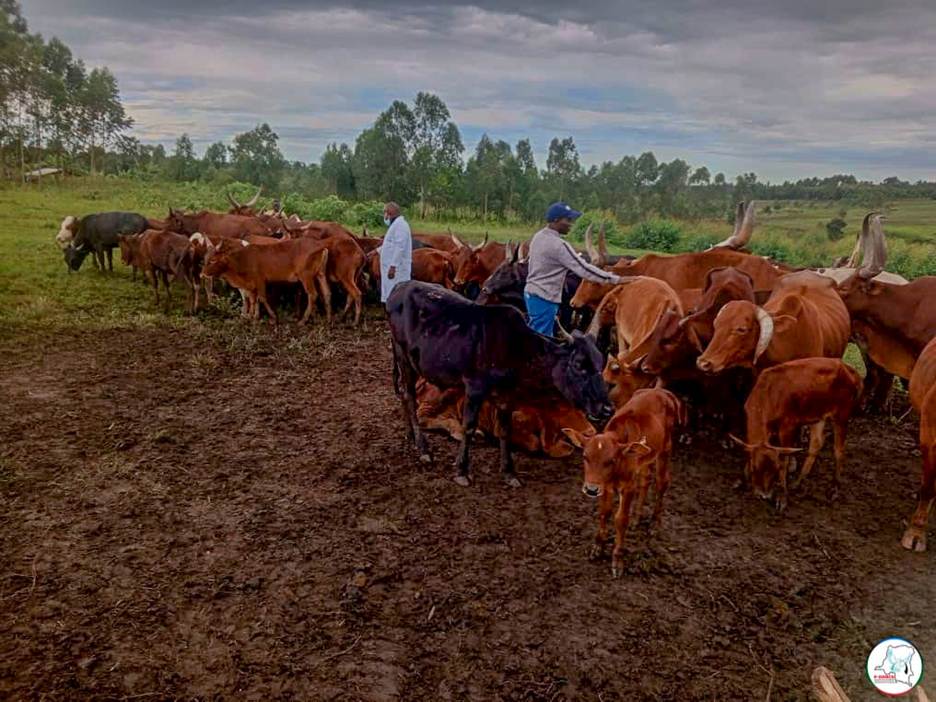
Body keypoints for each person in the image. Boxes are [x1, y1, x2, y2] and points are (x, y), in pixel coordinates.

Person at [523, 202, 625, 336]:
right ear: (556, 220)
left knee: (533, 332)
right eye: (568, 220)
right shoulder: (559, 245)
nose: (571, 224)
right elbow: (584, 269)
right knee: (542, 339)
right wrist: (616, 279)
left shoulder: (538, 237)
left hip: (531, 293)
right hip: (545, 297)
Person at [380, 201, 412, 305]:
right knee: (391, 295)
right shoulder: (395, 225)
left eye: (385, 213)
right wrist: (376, 251)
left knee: (397, 295)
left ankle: (398, 319)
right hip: (391, 267)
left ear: (389, 213)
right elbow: (390, 244)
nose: (384, 217)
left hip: (397, 270)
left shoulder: (401, 226)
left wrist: (393, 267)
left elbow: (400, 247)